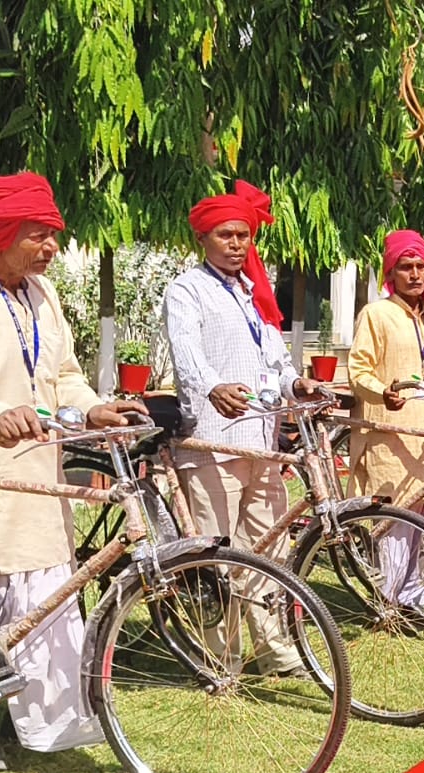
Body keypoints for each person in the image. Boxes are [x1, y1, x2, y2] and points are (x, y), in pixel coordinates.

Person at [0, 172, 145, 772]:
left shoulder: (42, 294)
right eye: (38, 235)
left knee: (45, 599)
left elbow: (63, 374)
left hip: (40, 472)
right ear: (0, 233)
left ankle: (36, 721)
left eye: (53, 235)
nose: (50, 247)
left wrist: (93, 407)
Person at [162, 180, 319, 675]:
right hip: (212, 439)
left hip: (261, 440)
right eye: (225, 235)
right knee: (217, 553)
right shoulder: (187, 289)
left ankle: (273, 649)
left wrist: (297, 384)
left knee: (267, 549)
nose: (236, 244)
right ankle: (221, 656)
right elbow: (186, 352)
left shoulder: (254, 292)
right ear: (202, 238)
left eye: (243, 235)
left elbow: (275, 361)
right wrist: (212, 386)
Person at [347, 229, 424, 612]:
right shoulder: (376, 314)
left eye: (421, 267)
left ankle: (413, 601)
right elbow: (358, 371)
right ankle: (389, 603)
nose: (415, 274)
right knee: (396, 520)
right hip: (390, 434)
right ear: (391, 272)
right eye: (406, 267)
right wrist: (382, 392)